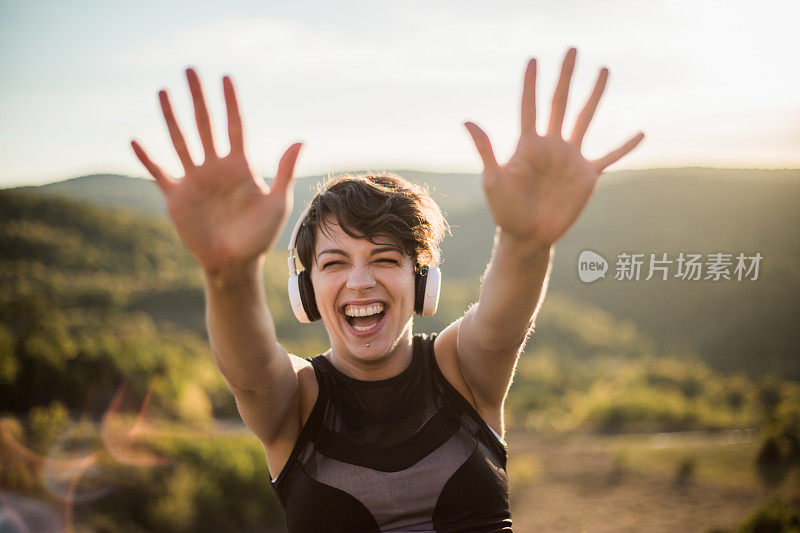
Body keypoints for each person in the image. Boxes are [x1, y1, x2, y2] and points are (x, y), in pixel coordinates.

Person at [131, 48, 643, 532]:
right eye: (334, 263)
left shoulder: (461, 370)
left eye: (384, 258)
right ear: (305, 292)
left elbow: (503, 321)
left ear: (422, 281)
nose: (360, 281)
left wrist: (526, 242)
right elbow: (249, 371)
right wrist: (229, 274)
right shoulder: (296, 402)